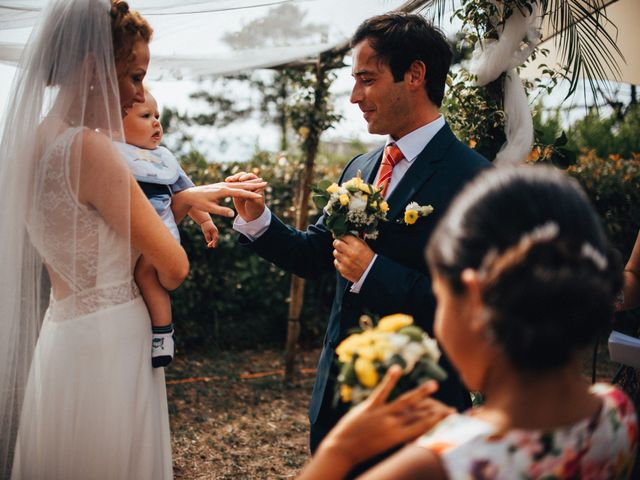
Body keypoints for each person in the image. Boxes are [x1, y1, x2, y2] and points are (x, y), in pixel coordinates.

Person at [0, 0, 264, 477]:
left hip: (61, 334)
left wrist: (186, 196)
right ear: (94, 68)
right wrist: (181, 206)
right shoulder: (91, 149)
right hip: (113, 338)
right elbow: (174, 267)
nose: (140, 92)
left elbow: (87, 227)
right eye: (135, 76)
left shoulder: (27, 145)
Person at [227, 12, 491, 452]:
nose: (354, 96)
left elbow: (473, 306)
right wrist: (258, 219)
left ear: (415, 75)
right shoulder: (362, 167)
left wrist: (375, 273)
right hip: (335, 405)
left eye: (366, 79)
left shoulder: (475, 180)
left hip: (417, 414)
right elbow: (316, 255)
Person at [298, 166, 638, 479]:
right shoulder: (615, 412)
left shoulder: (439, 462)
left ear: (475, 298)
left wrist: (340, 450)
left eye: (442, 296)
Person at [121, 90, 217, 367]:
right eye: (146, 116)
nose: (156, 123)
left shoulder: (163, 159)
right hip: (123, 243)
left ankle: (164, 333)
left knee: (147, 275)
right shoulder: (112, 154)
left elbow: (188, 194)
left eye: (157, 116)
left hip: (160, 238)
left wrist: (206, 221)